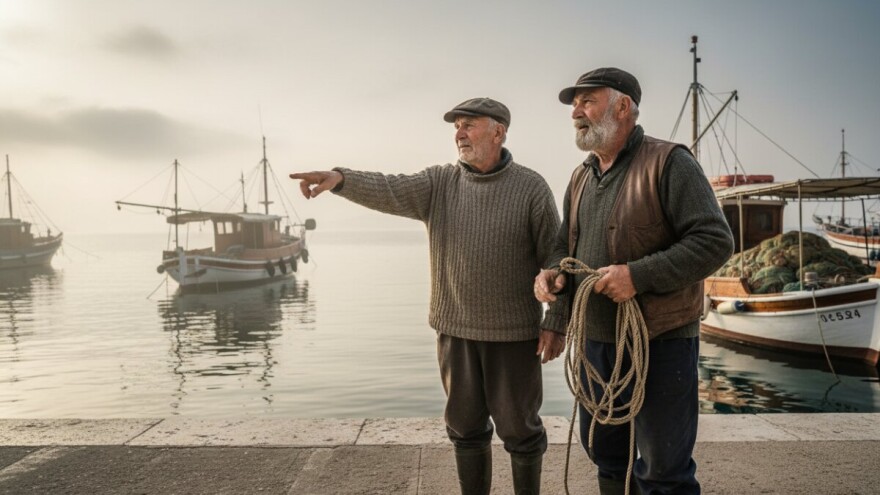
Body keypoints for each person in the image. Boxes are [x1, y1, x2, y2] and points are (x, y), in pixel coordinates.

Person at [290, 97, 565, 495]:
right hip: (455, 332)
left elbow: (555, 259)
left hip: (514, 335)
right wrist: (341, 179)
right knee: (465, 430)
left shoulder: (531, 187)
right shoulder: (439, 183)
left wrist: (555, 324)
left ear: (499, 132)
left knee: (521, 432)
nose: (459, 133)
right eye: (457, 126)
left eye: (469, 124)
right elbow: (390, 188)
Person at [534, 68, 734, 495]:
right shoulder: (580, 177)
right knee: (606, 456)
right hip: (596, 344)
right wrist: (553, 284)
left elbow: (715, 241)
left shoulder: (670, 162)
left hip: (660, 344)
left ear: (622, 106)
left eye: (587, 101)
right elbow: (561, 248)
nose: (576, 113)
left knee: (663, 471)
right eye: (575, 105)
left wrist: (637, 276)